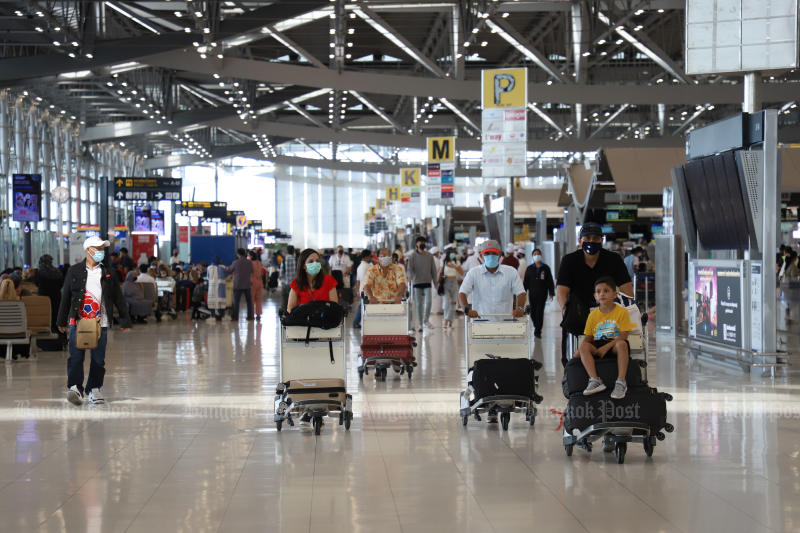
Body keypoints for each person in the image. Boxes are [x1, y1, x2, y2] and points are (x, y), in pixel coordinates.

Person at [57, 236, 131, 406]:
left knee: (98, 359)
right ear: (88, 250)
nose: (100, 252)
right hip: (79, 320)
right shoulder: (74, 271)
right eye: (97, 248)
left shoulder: (109, 272)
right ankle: (75, 388)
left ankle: (94, 388)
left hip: (101, 322)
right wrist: (61, 321)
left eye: (102, 249)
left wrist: (124, 320)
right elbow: (66, 296)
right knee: (76, 356)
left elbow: (118, 297)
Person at [556, 222, 633, 367]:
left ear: (602, 240)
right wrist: (565, 310)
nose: (591, 241)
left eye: (596, 238)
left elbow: (627, 289)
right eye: (587, 238)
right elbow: (562, 291)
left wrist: (628, 309)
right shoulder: (569, 260)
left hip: (607, 313)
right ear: (580, 241)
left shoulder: (613, 259)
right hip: (579, 312)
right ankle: (575, 370)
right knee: (580, 346)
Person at [576, 277, 634, 399]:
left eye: (606, 291)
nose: (602, 294)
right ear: (595, 296)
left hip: (614, 344)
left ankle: (621, 382)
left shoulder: (622, 312)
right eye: (598, 291)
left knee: (622, 344)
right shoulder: (593, 315)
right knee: (584, 346)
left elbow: (623, 335)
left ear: (615, 294)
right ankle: (595, 380)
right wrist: (581, 350)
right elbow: (588, 337)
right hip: (598, 343)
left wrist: (606, 347)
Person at [458, 239, 526, 320]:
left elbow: (521, 293)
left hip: (505, 322)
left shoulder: (511, 272)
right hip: (480, 323)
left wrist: (520, 309)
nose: (490, 256)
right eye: (487, 253)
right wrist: (467, 310)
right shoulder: (473, 273)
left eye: (494, 253)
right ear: (481, 256)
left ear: (500, 255)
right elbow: (462, 293)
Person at [287, 248, 338, 313]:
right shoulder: (296, 283)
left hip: (325, 321)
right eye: (311, 261)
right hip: (303, 321)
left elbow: (334, 307)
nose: (315, 263)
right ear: (303, 266)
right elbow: (290, 309)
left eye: (317, 261)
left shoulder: (329, 280)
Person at [406, 236, 438, 331]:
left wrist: (436, 282)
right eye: (420, 242)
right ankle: (420, 324)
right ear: (417, 244)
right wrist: (410, 275)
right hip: (417, 282)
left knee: (428, 302)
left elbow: (433, 270)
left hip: (427, 281)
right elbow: (409, 268)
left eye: (424, 242)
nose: (422, 244)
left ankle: (426, 320)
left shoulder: (429, 256)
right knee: (419, 304)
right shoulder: (412, 256)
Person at [523, 248, 555, 339]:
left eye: (538, 253)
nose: (537, 255)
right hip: (532, 293)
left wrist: (551, 292)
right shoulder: (529, 268)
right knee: (533, 312)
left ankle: (538, 331)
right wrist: (523, 293)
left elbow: (549, 281)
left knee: (540, 311)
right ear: (532, 256)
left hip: (542, 293)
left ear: (541, 255)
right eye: (535, 254)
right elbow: (526, 282)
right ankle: (536, 325)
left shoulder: (545, 268)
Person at [34, 254, 64, 333]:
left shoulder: (39, 272)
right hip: (56, 297)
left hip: (43, 298)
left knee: (45, 316)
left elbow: (36, 283)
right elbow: (61, 284)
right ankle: (58, 336)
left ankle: (46, 334)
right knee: (55, 316)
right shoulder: (58, 271)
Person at [438, 247, 464, 329]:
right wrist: (437, 282)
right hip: (446, 282)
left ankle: (450, 321)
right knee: (447, 302)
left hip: (454, 282)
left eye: (454, 253)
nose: (453, 255)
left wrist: (455, 266)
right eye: (451, 253)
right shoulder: (444, 262)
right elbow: (440, 272)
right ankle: (445, 320)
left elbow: (462, 272)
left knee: (453, 303)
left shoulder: (457, 262)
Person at [226, 248, 254, 321]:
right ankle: (250, 316)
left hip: (238, 284)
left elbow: (230, 270)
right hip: (247, 284)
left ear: (238, 254)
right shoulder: (249, 262)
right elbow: (252, 271)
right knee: (249, 301)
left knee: (236, 302)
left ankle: (235, 317)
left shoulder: (235, 262)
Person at [352, 249, 373, 329]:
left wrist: (357, 291)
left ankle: (357, 323)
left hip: (362, 290)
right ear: (367, 256)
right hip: (367, 291)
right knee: (364, 307)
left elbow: (357, 281)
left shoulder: (359, 267)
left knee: (362, 307)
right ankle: (356, 323)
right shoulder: (368, 266)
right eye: (370, 256)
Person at [249, 250, 265, 321]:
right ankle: (258, 315)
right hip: (260, 282)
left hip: (252, 283)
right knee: (258, 300)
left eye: (248, 255)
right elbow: (263, 272)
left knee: (251, 299)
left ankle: (251, 314)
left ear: (251, 256)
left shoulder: (250, 263)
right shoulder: (259, 263)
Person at [280, 245, 297, 310]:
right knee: (294, 301)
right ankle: (293, 315)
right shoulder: (297, 260)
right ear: (293, 251)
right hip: (295, 285)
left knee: (284, 301)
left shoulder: (284, 260)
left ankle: (284, 315)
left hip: (285, 284)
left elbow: (281, 273)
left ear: (287, 251)